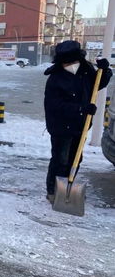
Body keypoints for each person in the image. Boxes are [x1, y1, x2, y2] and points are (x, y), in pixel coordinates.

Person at [44, 40, 112, 204]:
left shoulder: (86, 70)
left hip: (80, 125)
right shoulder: (55, 78)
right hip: (60, 126)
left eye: (73, 61)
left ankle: (68, 188)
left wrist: (105, 70)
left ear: (79, 59)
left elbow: (98, 83)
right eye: (67, 62)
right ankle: (53, 190)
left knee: (76, 158)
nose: (71, 65)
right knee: (60, 159)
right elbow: (55, 105)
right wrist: (81, 108)